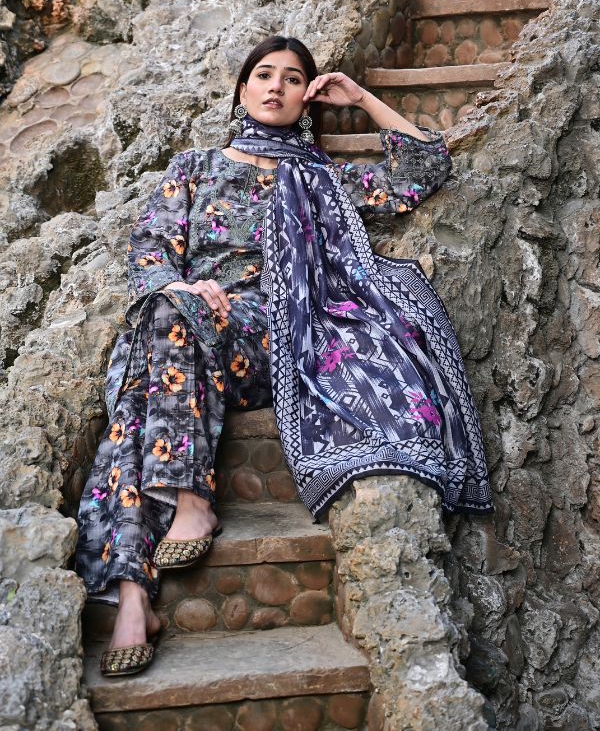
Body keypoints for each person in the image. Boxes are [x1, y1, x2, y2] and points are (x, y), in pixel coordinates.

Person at [75, 35, 493, 677]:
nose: (276, 86)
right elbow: (150, 251)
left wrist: (362, 99)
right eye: (264, 74)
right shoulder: (193, 167)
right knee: (146, 373)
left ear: (306, 97)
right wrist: (184, 288)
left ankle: (185, 509)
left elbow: (422, 171)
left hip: (280, 331)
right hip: (189, 323)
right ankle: (136, 593)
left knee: (157, 350)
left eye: (293, 78)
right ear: (242, 88)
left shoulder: (322, 179)